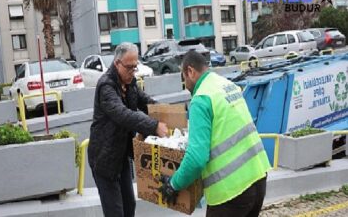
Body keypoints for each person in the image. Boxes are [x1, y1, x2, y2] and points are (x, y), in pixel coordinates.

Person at [159, 50, 271, 217]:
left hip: (231, 192)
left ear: (190, 71)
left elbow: (196, 158)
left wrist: (173, 184)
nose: (185, 84)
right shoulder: (227, 85)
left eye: (184, 78)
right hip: (258, 177)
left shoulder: (201, 99)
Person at [88, 42, 169, 217]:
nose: (133, 71)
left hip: (121, 156)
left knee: (129, 206)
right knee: (115, 212)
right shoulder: (106, 86)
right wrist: (154, 126)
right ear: (117, 63)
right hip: (104, 158)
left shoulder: (130, 81)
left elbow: (145, 102)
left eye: (135, 67)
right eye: (129, 67)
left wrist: (167, 114)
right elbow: (123, 114)